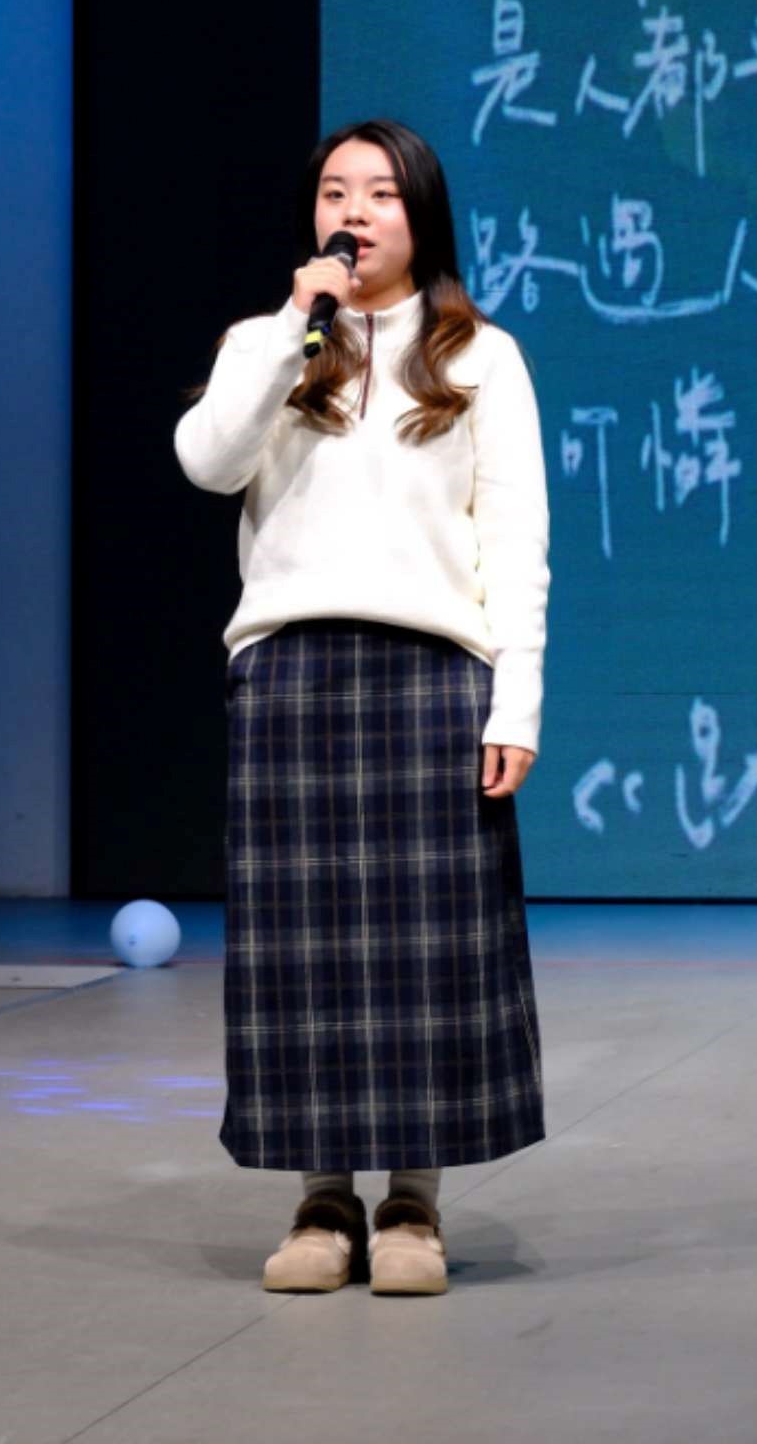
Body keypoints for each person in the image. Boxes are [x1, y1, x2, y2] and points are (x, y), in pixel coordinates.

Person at [173, 119, 551, 1298]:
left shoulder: (483, 356)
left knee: (428, 961)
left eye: (380, 193)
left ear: (421, 216)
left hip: (433, 677)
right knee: (306, 958)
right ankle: (322, 1199)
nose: (355, 211)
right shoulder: (270, 342)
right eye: (336, 192)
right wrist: (296, 326)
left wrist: (517, 700)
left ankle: (414, 1203)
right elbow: (207, 462)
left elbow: (515, 538)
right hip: (291, 672)